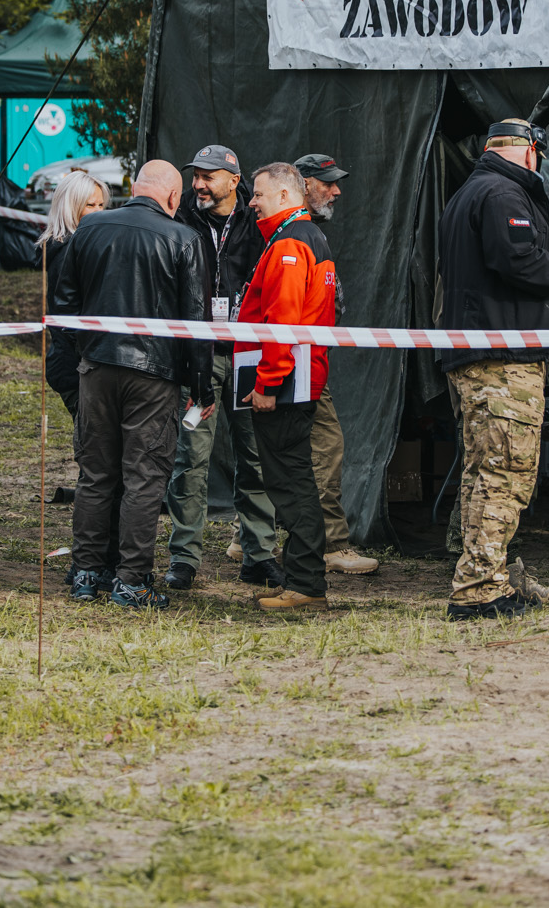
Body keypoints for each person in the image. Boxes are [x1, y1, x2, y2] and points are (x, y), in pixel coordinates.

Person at [435, 119, 549, 620]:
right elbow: (519, 260)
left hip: (484, 356)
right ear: (529, 153)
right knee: (505, 474)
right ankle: (481, 588)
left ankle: (491, 573)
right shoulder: (503, 194)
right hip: (504, 362)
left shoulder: (471, 192)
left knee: (485, 470)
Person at [49, 160, 214, 609]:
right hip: (154, 377)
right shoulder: (184, 238)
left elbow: (63, 307)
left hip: (96, 369)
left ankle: (85, 572)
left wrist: (89, 349)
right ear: (174, 197)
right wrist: (203, 387)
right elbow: (196, 321)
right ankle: (131, 581)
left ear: (134, 188)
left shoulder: (90, 230)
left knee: (96, 474)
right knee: (144, 479)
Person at [164, 145, 283, 592]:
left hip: (248, 353)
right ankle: (184, 557)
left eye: (208, 177)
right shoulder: (181, 223)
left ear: (234, 181)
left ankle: (258, 553)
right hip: (199, 355)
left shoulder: (261, 223)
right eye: (195, 176)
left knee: (253, 454)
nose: (198, 184)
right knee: (191, 455)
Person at [235, 163, 340, 611]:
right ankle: (302, 578)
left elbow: (282, 321)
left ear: (283, 196)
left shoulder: (290, 244)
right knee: (293, 479)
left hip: (286, 383)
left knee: (291, 482)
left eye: (258, 194)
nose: (252, 202)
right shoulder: (304, 237)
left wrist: (267, 384)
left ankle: (306, 584)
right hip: (297, 377)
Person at [294, 152, 378, 576]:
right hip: (298, 358)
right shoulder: (298, 232)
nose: (336, 190)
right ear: (303, 184)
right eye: (327, 182)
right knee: (325, 445)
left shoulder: (291, 230)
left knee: (278, 447)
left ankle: (248, 536)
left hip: (297, 357)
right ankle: (332, 543)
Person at [37, 170, 107, 420]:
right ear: (71, 207)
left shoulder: (81, 245)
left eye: (101, 204)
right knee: (95, 445)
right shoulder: (68, 251)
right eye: (90, 205)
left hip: (81, 365)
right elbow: (67, 319)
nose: (99, 211)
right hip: (77, 369)